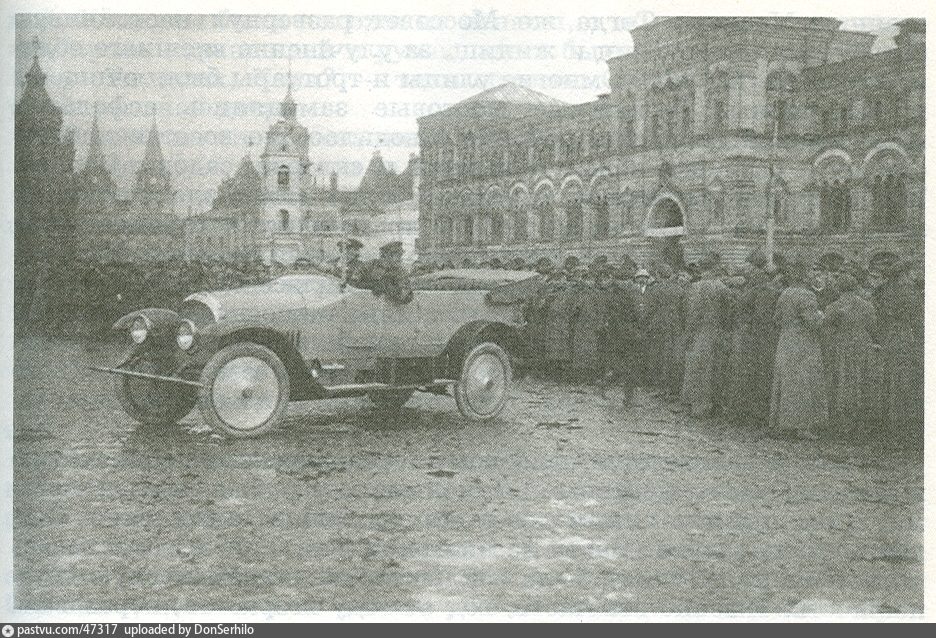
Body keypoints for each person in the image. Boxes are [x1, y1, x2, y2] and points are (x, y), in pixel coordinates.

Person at [769, 259, 827, 439]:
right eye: (810, 272)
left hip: (786, 340)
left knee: (786, 381)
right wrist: (822, 315)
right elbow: (814, 322)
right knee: (803, 382)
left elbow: (776, 319)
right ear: (804, 275)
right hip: (803, 343)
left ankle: (781, 423)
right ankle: (802, 427)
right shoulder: (807, 295)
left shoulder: (785, 293)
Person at [823, 273, 878, 438]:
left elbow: (826, 327)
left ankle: (844, 424)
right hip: (862, 345)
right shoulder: (867, 305)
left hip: (842, 346)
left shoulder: (833, 307)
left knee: (843, 382)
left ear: (838, 288)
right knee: (863, 381)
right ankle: (863, 423)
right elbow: (873, 327)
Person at [680, 252, 733, 418]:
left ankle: (696, 405)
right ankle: (713, 405)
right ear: (715, 268)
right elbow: (729, 313)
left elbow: (690, 313)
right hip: (717, 332)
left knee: (697, 369)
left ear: (702, 268)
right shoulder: (722, 287)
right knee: (716, 369)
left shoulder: (694, 287)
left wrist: (688, 334)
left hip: (698, 332)